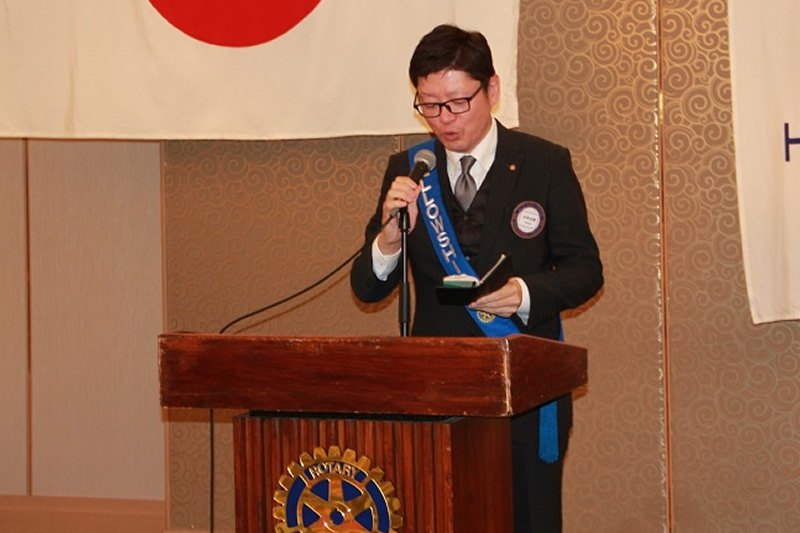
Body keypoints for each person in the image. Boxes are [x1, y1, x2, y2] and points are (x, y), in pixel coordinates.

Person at [350, 24, 603, 532]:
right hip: (437, 390)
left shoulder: (544, 163)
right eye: (429, 105)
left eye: (457, 103)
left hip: (523, 387)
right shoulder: (410, 169)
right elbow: (367, 288)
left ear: (492, 89)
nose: (444, 119)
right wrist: (390, 239)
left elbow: (585, 269)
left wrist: (525, 293)